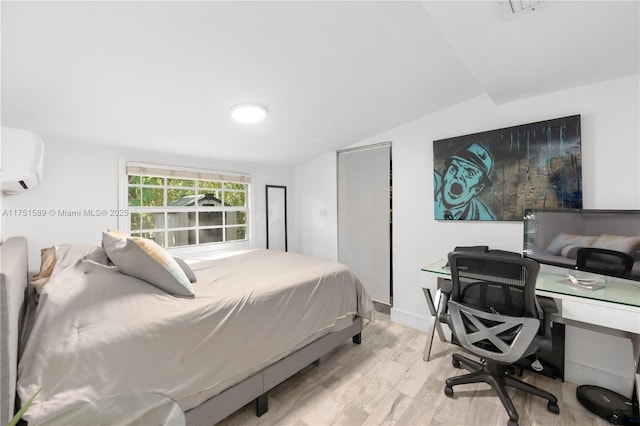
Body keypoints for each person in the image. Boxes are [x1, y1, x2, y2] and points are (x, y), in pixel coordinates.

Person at [434, 142, 496, 220]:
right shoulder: (429, 184)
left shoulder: (482, 217)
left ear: (478, 188)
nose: (458, 175)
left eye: (470, 173)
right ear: (445, 174)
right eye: (454, 168)